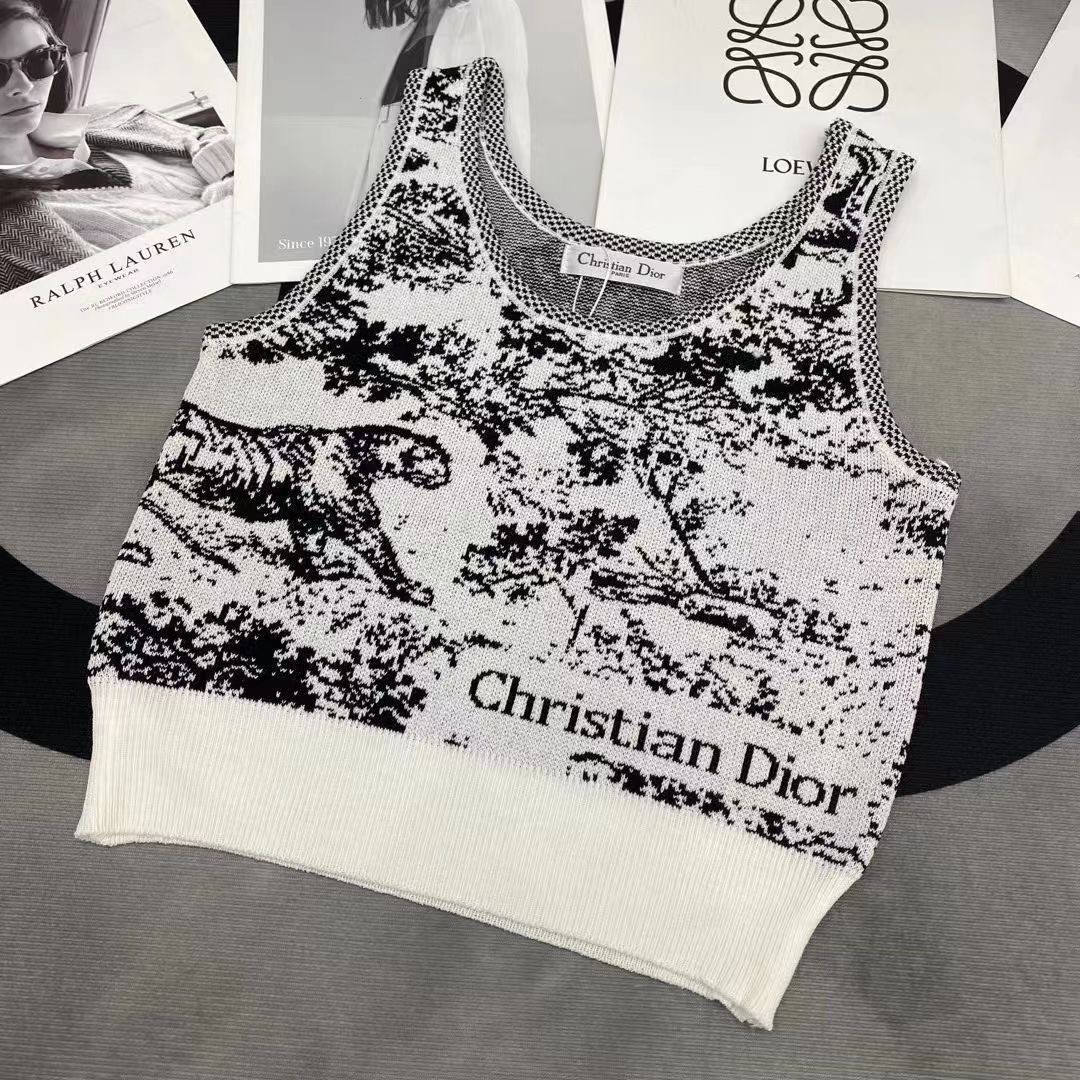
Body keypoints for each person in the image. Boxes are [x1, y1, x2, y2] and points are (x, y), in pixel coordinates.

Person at [0, 0, 234, 295]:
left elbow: (217, 138)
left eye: (39, 60)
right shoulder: (14, 234)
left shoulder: (112, 115)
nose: (23, 86)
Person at [349, 0, 530, 211]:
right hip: (388, 168)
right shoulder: (418, 19)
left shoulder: (493, 8)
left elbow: (508, 120)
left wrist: (509, 208)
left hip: (437, 187)